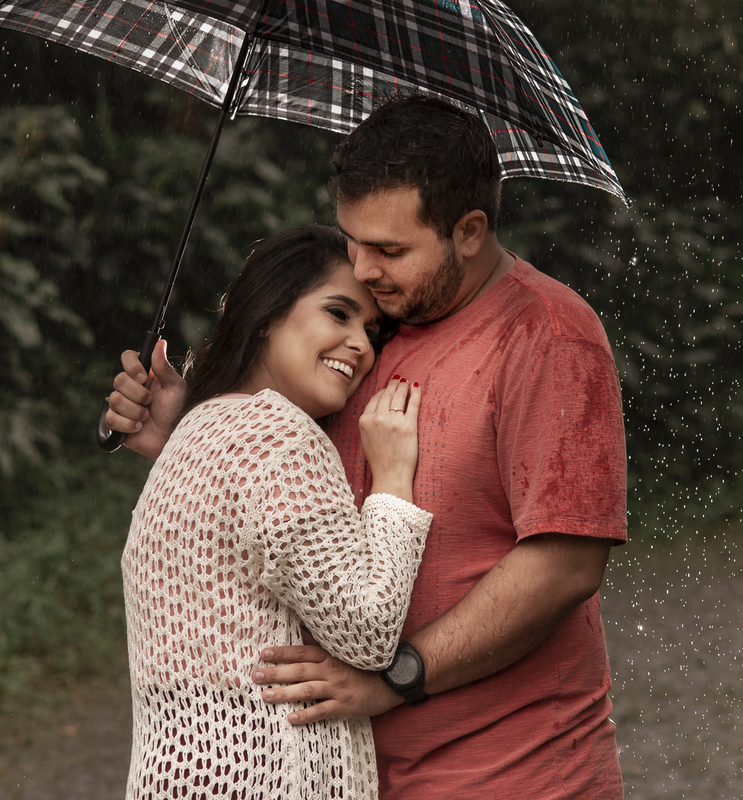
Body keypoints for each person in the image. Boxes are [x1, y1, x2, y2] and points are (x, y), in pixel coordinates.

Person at [106, 93, 628, 799]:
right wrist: (186, 433)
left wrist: (397, 676)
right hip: (357, 776)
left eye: (389, 249)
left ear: (469, 231)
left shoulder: (546, 335)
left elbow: (565, 564)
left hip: (509, 771)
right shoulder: (373, 331)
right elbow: (295, 500)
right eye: (354, 241)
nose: (365, 268)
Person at [120, 224, 431, 799]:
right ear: (266, 314)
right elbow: (367, 629)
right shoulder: (280, 438)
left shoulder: (196, 430)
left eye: (372, 330)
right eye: (338, 313)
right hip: (264, 779)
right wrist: (391, 481)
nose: (362, 344)